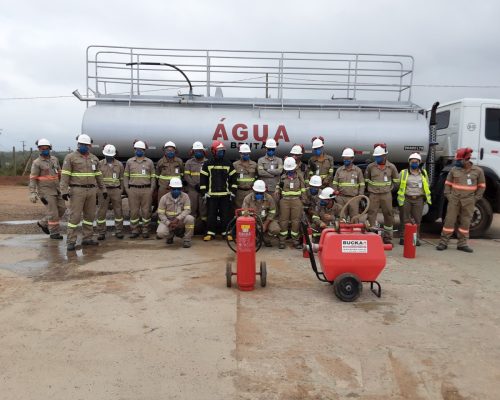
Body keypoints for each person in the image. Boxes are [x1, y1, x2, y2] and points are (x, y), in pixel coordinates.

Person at [60, 134, 106, 250]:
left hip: (91, 190)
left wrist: (103, 189)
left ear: (89, 145)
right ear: (78, 144)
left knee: (89, 216)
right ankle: (71, 241)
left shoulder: (94, 158)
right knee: (74, 217)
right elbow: (65, 176)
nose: (83, 146)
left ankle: (87, 238)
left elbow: (98, 175)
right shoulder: (70, 157)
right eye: (81, 144)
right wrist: (64, 191)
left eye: (85, 145)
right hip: (77, 190)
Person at [436, 148, 486, 253]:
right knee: (449, 221)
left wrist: (475, 198)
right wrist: (449, 196)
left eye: (459, 160)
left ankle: (462, 244)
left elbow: (482, 186)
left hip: (469, 201)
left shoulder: (478, 171)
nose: (457, 162)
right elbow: (447, 185)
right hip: (454, 200)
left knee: (465, 222)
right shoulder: (454, 170)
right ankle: (443, 242)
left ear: (466, 159)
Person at [200, 141, 237, 241]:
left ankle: (226, 233)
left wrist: (233, 191)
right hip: (212, 196)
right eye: (219, 151)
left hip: (225, 195)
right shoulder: (207, 164)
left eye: (222, 151)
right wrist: (204, 193)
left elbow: (234, 178)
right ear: (213, 151)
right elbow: (203, 179)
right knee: (211, 215)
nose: (221, 153)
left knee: (226, 215)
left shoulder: (228, 163)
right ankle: (210, 233)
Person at [29, 138, 66, 240]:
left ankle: (43, 222)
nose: (44, 150)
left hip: (57, 189)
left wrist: (64, 187)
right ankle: (54, 233)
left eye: (46, 148)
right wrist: (32, 192)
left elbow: (59, 173)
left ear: (50, 148)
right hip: (45, 191)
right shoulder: (37, 163)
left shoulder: (54, 160)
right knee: (53, 213)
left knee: (62, 209)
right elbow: (33, 178)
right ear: (39, 150)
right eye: (42, 148)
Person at [365, 144, 400, 244]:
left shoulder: (391, 167)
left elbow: (396, 181)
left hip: (386, 195)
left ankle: (388, 238)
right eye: (376, 157)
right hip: (373, 195)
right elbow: (367, 180)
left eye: (379, 156)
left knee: (389, 215)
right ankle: (371, 237)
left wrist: (389, 189)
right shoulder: (370, 167)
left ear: (385, 156)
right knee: (371, 215)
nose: (378, 158)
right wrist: (372, 189)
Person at [396, 153, 432, 246]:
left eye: (416, 162)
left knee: (417, 220)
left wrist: (424, 198)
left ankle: (415, 238)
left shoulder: (423, 173)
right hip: (406, 198)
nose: (414, 163)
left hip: (418, 199)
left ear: (419, 162)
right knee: (405, 219)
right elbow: (397, 185)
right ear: (409, 162)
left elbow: (427, 185)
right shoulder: (403, 173)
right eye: (412, 162)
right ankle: (403, 238)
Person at [123, 140, 156, 239]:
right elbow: (125, 177)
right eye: (137, 149)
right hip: (133, 190)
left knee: (146, 211)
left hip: (146, 190)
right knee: (134, 211)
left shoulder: (149, 162)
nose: (139, 151)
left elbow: (153, 177)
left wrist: (151, 189)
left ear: (144, 150)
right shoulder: (129, 162)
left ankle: (145, 230)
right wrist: (127, 189)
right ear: (134, 150)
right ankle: (134, 230)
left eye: (141, 149)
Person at [276, 157, 306, 249]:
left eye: (291, 169)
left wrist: (303, 200)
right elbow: (278, 187)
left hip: (296, 201)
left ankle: (295, 240)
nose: (289, 171)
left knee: (295, 221)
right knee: (283, 221)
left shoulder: (300, 176)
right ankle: (282, 241)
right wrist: (277, 190)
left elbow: (303, 188)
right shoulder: (282, 177)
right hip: (284, 201)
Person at [96, 144, 124, 240]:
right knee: (101, 212)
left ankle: (119, 231)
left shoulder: (119, 164)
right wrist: (99, 190)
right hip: (103, 191)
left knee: (118, 211)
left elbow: (121, 179)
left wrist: (121, 190)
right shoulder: (99, 164)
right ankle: (101, 232)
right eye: (107, 155)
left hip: (116, 190)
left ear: (114, 155)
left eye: (110, 155)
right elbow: (97, 178)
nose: (108, 157)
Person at [156, 177, 195, 248]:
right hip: (168, 220)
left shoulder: (185, 196)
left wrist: (178, 219)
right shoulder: (164, 198)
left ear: (181, 188)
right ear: (170, 188)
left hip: (180, 220)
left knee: (190, 219)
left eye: (178, 189)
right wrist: (169, 223)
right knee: (160, 233)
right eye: (174, 189)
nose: (176, 191)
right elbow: (161, 213)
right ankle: (170, 236)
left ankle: (187, 240)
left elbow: (187, 210)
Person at [242, 180, 280, 247]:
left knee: (275, 229)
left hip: (266, 220)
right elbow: (244, 213)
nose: (259, 194)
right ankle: (255, 238)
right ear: (253, 191)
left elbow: (272, 212)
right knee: (246, 227)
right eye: (257, 193)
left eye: (261, 193)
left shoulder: (269, 198)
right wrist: (254, 223)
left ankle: (265, 238)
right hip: (253, 221)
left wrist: (265, 224)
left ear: (264, 191)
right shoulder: (248, 198)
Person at [332, 147, 365, 222]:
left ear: (352, 159)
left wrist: (359, 197)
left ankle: (355, 233)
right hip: (341, 198)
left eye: (348, 159)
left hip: (354, 199)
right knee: (342, 220)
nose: (345, 160)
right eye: (344, 159)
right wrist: (337, 196)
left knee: (354, 219)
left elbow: (362, 185)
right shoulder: (339, 170)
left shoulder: (357, 171)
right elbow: (334, 183)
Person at [184, 141, 208, 227]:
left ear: (203, 151)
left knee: (204, 210)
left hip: (204, 190)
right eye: (196, 151)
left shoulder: (207, 162)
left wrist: (204, 186)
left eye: (199, 151)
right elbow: (187, 176)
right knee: (192, 209)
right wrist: (194, 185)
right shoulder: (189, 163)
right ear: (193, 152)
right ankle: (191, 229)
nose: (198, 153)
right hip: (192, 190)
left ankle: (204, 228)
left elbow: (210, 176)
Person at [233, 144, 257, 209]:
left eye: (247, 154)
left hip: (251, 191)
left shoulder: (254, 164)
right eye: (244, 154)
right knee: (239, 210)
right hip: (239, 192)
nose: (246, 155)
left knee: (250, 209)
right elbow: (232, 179)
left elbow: (258, 177)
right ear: (240, 154)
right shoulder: (235, 165)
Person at [303, 175, 323, 242]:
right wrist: (308, 210)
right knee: (303, 222)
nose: (314, 188)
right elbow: (302, 205)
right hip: (306, 212)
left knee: (316, 224)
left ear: (319, 187)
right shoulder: (305, 192)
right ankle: (303, 237)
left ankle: (317, 238)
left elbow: (321, 208)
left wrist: (315, 213)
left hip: (317, 213)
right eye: (312, 186)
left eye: (316, 187)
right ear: (309, 185)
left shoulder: (322, 194)